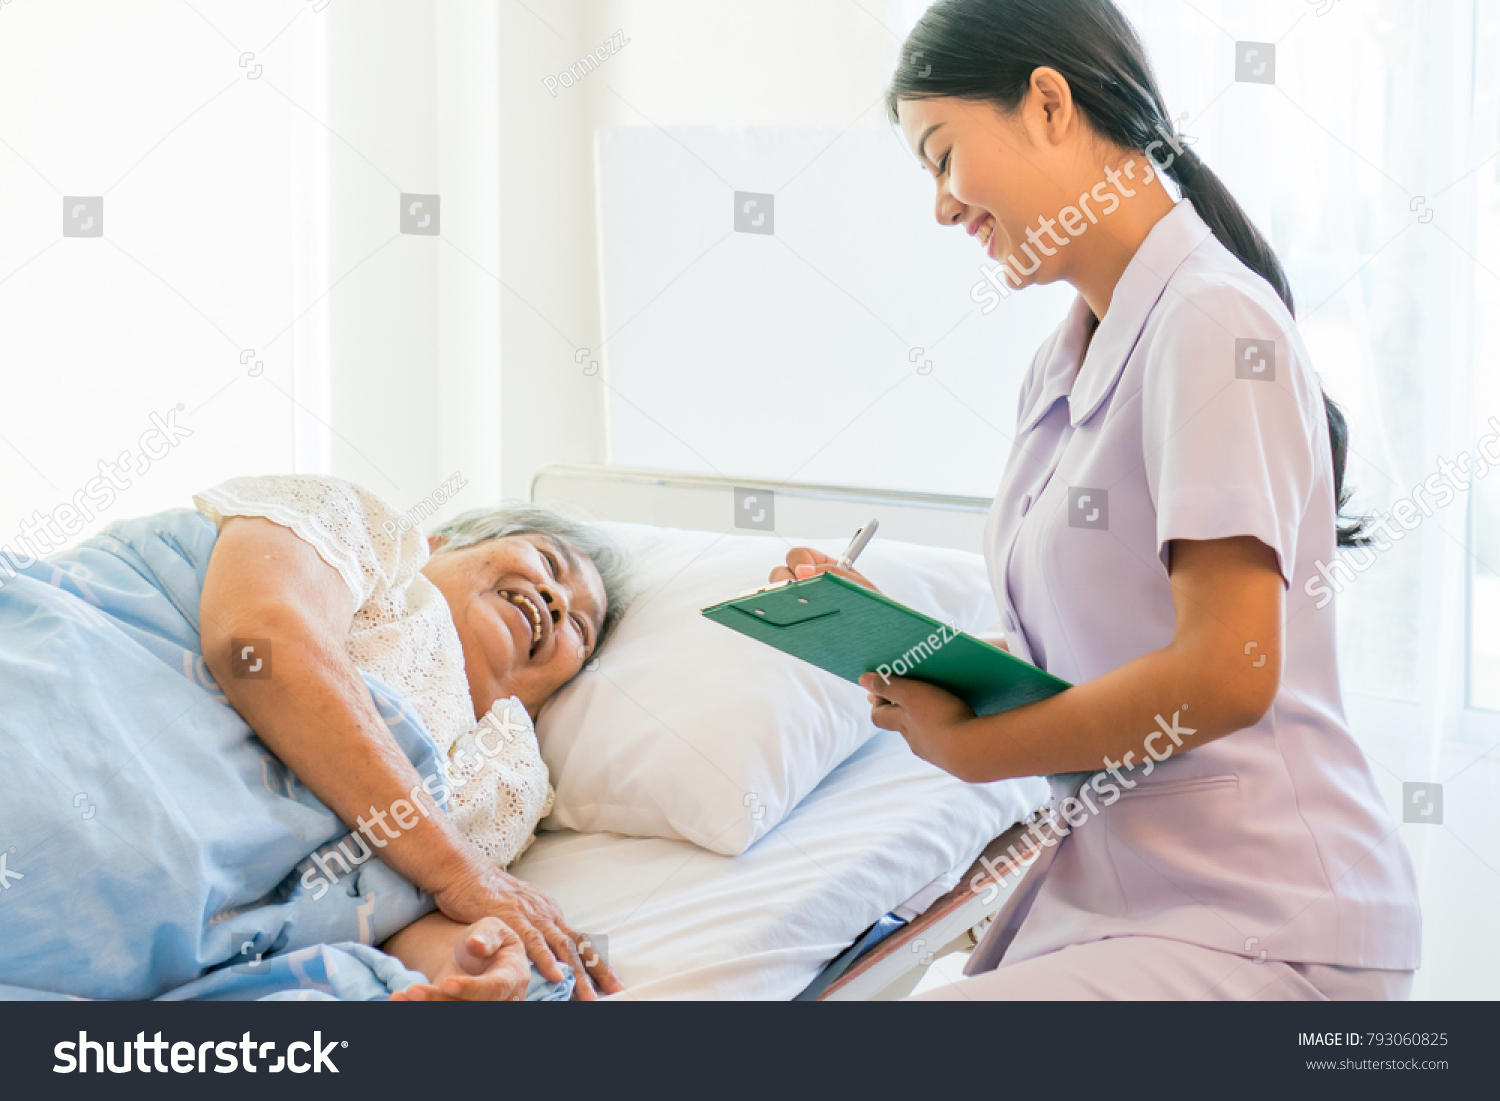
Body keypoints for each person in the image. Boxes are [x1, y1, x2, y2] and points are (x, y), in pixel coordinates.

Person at [773, 0, 1420, 1000]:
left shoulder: (1211, 321)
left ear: (1045, 104)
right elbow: (1061, 670)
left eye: (942, 156)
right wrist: (887, 641)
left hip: (1262, 921)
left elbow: (1229, 672)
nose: (942, 206)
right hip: (1128, 906)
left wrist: (977, 747)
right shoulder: (1061, 365)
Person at [195, 476, 631, 1000]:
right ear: (438, 545)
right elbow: (256, 647)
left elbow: (383, 916)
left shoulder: (504, 784)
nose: (557, 600)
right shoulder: (356, 529)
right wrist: (461, 875)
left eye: (580, 628)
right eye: (549, 562)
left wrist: (475, 957)